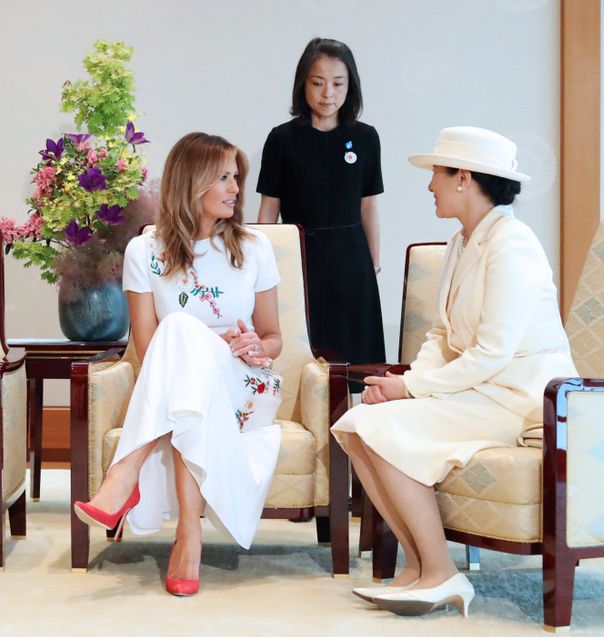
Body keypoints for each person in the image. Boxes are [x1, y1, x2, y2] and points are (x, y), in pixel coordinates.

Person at [331, 127, 577, 617]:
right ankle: (418, 566)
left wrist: (411, 388)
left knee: (380, 428)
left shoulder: (514, 244)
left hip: (521, 399)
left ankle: (441, 571)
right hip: (480, 390)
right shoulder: (463, 241)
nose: (430, 187)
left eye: (437, 176)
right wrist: (406, 389)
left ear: (464, 179)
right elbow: (441, 336)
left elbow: (492, 353)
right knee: (355, 423)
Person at [73, 132, 283, 596]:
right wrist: (203, 344)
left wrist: (252, 346)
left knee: (182, 331)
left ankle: (123, 476)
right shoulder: (143, 252)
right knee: (179, 338)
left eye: (236, 178)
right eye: (223, 178)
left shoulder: (255, 247)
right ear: (192, 183)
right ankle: (189, 533)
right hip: (180, 379)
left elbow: (274, 340)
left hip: (246, 384)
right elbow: (149, 348)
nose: (235, 188)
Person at [257, 37, 384, 369]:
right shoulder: (282, 139)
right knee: (305, 350)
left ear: (350, 86)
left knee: (357, 355)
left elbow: (368, 207)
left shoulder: (366, 137)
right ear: (303, 84)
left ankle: (356, 417)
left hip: (352, 258)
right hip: (299, 255)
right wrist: (262, 265)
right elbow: (269, 209)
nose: (328, 93)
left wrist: (374, 264)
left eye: (338, 83)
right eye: (318, 83)